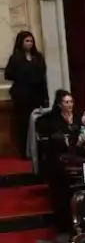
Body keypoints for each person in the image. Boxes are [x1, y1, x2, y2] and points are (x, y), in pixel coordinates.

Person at [5, 31, 48, 159]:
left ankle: (39, 151)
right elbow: (8, 74)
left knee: (38, 124)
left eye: (31, 41)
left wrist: (44, 97)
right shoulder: (16, 58)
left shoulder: (38, 57)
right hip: (22, 97)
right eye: (26, 41)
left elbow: (42, 76)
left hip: (37, 96)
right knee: (23, 125)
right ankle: (25, 152)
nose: (29, 43)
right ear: (21, 42)